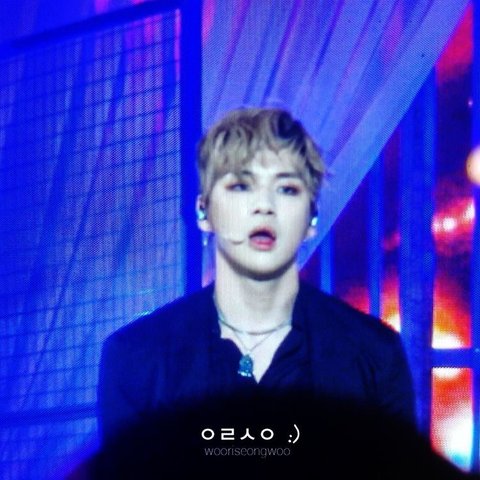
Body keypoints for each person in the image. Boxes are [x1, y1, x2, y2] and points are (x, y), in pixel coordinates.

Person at [95, 107, 437, 477]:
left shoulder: (373, 353)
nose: (264, 207)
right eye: (241, 186)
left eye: (286, 188)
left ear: (311, 218)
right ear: (203, 211)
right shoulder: (137, 356)